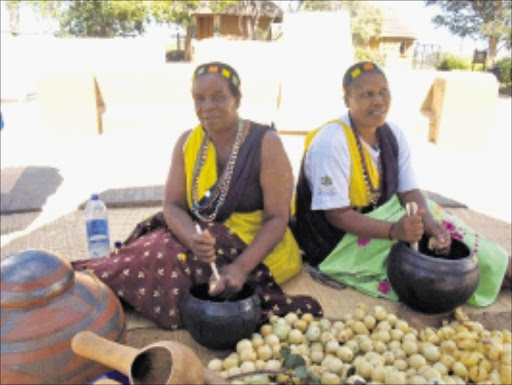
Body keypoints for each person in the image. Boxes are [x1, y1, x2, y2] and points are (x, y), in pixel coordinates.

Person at [73, 62, 322, 329]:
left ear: (237, 99)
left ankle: (104, 294)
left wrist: (240, 267)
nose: (207, 106)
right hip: (200, 235)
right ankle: (83, 285)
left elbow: (277, 218)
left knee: (182, 272)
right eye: (199, 99)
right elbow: (172, 205)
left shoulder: (266, 142)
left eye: (218, 97)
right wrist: (191, 239)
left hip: (254, 246)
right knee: (153, 250)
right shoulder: (188, 142)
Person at [294, 61, 511, 306]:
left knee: (446, 232)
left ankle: (499, 267)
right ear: (347, 100)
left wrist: (429, 223)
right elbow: (337, 216)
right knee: (432, 274)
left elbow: (409, 191)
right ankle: (492, 275)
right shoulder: (331, 141)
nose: (378, 101)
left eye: (384, 92)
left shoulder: (392, 134)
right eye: (367, 94)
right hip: (336, 241)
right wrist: (394, 231)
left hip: (383, 219)